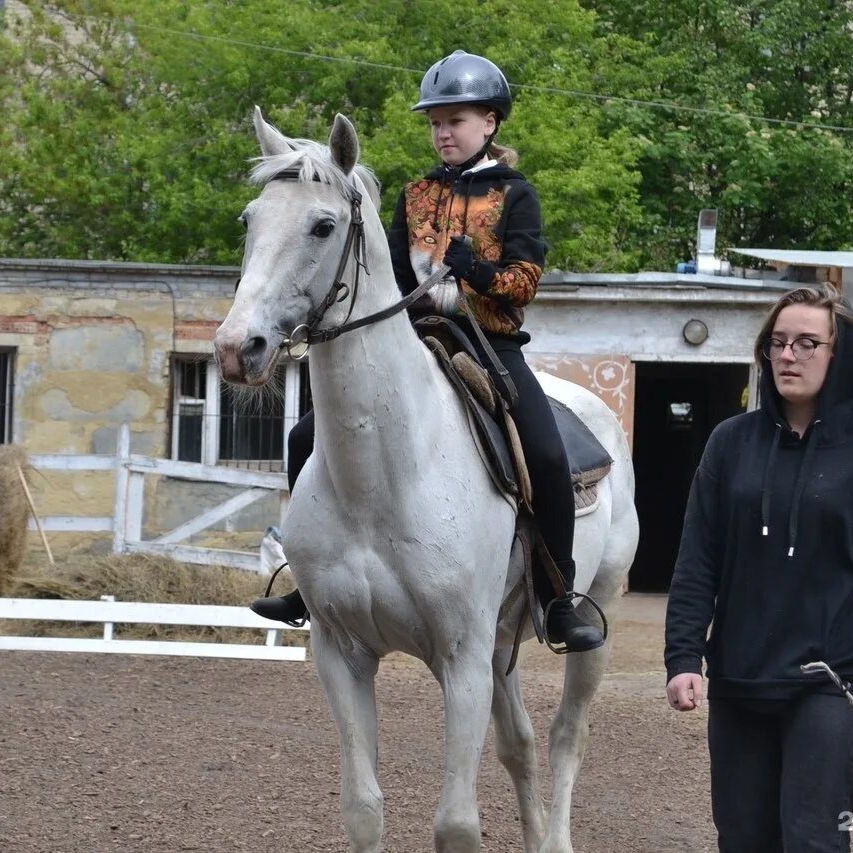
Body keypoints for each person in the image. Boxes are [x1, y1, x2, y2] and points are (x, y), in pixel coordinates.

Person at [250, 49, 605, 653]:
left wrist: (481, 273)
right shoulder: (415, 195)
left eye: (456, 120)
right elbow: (381, 274)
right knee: (305, 437)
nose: (443, 131)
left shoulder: (515, 193)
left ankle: (558, 594)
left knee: (544, 453)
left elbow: (526, 280)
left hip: (488, 340)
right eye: (436, 122)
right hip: (411, 336)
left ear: (490, 123)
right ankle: (306, 580)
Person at [664, 285, 853, 852]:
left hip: (832, 683)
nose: (788, 356)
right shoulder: (728, 444)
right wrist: (683, 655)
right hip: (739, 681)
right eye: (778, 343)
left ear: (839, 353)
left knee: (813, 842)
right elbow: (697, 560)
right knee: (744, 839)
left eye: (807, 343)